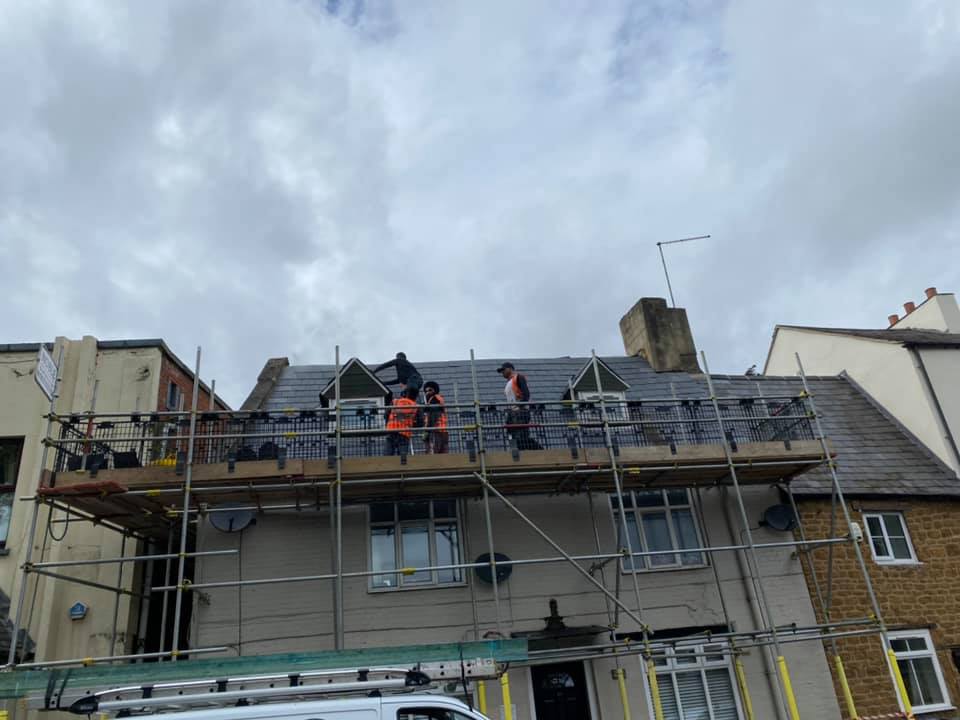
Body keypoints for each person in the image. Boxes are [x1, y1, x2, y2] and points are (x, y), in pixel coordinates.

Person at [496, 362, 541, 450]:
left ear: (510, 369)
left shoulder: (518, 377)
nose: (502, 373)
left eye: (503, 370)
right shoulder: (509, 383)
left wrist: (520, 407)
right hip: (513, 413)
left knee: (521, 437)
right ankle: (526, 453)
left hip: (521, 412)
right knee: (515, 437)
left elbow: (526, 394)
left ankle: (539, 450)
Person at [385, 386, 422, 456]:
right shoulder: (416, 406)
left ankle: (386, 465)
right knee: (402, 456)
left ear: (405, 394)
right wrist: (411, 426)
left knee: (388, 453)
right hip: (404, 432)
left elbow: (386, 415)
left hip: (391, 430)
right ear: (416, 396)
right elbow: (420, 422)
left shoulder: (395, 402)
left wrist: (388, 424)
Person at [422, 381, 448, 454]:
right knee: (443, 451)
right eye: (426, 391)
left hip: (436, 430)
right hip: (442, 429)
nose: (427, 392)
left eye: (430, 390)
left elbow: (433, 415)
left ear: (435, 390)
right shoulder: (437, 399)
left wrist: (427, 430)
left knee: (434, 451)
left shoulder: (435, 399)